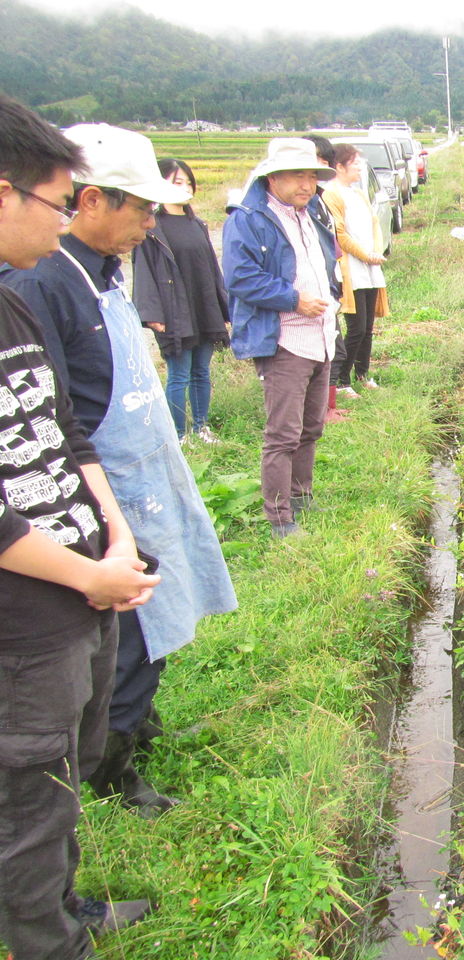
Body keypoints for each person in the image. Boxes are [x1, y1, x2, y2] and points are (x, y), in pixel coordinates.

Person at [0, 122, 238, 821]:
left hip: (139, 469)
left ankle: (138, 728)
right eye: (139, 207)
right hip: (100, 484)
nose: (149, 221)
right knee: (129, 631)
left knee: (155, 616)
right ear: (93, 200)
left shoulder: (104, 272)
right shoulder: (43, 281)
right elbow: (53, 417)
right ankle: (112, 766)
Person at [0, 95, 162, 960]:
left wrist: (113, 534)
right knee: (28, 793)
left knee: (62, 770)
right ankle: (48, 942)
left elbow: (65, 432)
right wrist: (83, 574)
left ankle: (64, 908)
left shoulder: (14, 307)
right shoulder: (30, 285)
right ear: (4, 193)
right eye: (60, 201)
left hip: (80, 580)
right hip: (25, 612)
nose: (67, 219)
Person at [222, 138, 341, 538]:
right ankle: (279, 518)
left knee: (312, 426)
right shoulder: (249, 218)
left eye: (312, 176)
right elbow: (240, 277)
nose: (307, 184)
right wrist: (292, 299)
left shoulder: (310, 214)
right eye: (297, 176)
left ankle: (301, 495)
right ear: (272, 177)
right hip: (285, 339)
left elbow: (327, 262)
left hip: (320, 335)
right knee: (283, 434)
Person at [131, 158, 230, 443]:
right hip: (175, 309)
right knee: (179, 374)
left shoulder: (196, 223)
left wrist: (221, 308)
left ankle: (201, 427)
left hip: (203, 306)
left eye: (188, 182)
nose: (185, 187)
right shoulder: (152, 227)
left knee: (201, 370)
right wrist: (153, 313)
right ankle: (179, 433)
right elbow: (143, 271)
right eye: (177, 182)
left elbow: (212, 268)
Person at [323, 143, 389, 398]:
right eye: (356, 164)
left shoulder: (358, 194)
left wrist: (376, 251)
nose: (361, 168)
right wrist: (365, 254)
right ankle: (342, 380)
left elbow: (374, 226)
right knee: (356, 327)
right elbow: (340, 234)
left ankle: (363, 373)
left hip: (370, 267)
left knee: (368, 327)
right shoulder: (332, 194)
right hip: (352, 268)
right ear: (339, 167)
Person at [300, 133, 350, 423]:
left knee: (333, 350)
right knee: (324, 353)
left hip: (327, 288)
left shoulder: (320, 202)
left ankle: (326, 409)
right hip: (309, 296)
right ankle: (322, 412)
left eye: (321, 165)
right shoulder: (299, 206)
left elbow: (331, 247)